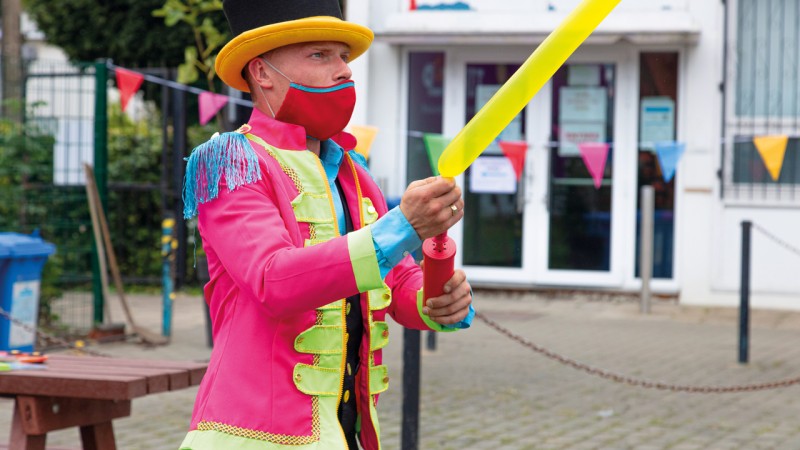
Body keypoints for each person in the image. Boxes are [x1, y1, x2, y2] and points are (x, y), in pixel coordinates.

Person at [179, 1, 474, 449]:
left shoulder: (353, 170)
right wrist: (402, 226)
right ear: (262, 72)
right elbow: (273, 280)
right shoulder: (230, 162)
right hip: (251, 437)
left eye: (343, 56)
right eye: (320, 55)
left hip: (346, 434)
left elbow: (396, 284)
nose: (344, 70)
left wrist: (438, 299)